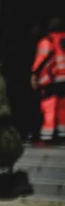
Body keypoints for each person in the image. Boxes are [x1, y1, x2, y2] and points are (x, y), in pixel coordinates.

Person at [32, 17, 65, 146]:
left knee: (49, 107)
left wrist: (34, 75)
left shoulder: (47, 41)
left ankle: (46, 137)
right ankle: (62, 136)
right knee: (63, 109)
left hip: (52, 79)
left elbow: (41, 60)